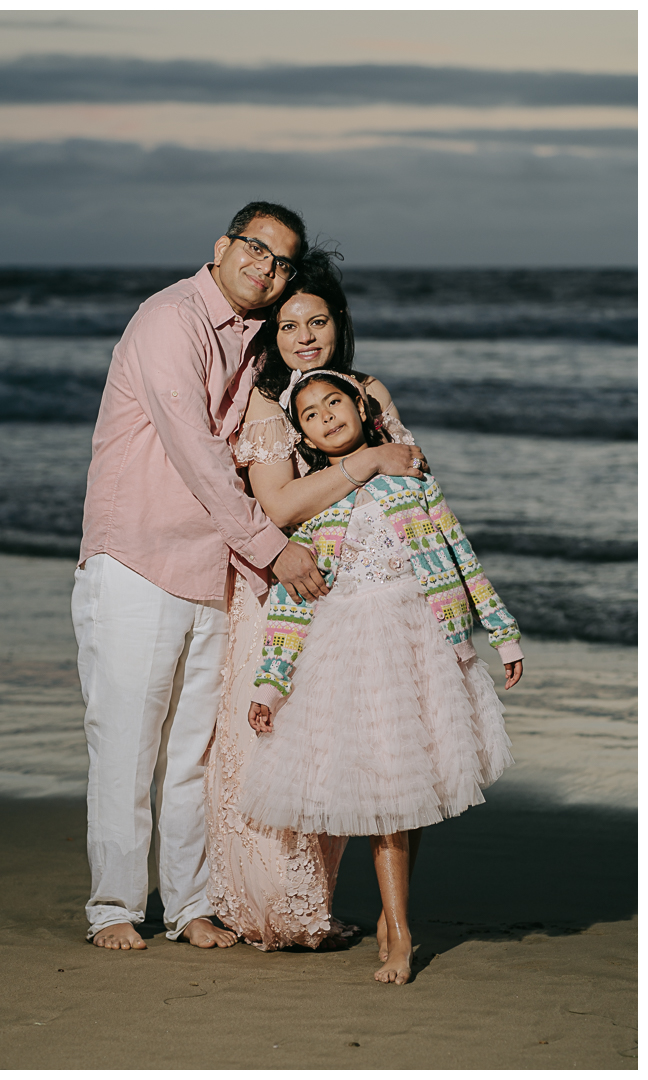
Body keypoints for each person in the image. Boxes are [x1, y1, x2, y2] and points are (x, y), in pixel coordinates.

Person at [72, 201, 340, 951]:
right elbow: (195, 451)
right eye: (256, 249)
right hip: (138, 561)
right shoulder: (171, 320)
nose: (266, 267)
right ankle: (114, 909)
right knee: (126, 746)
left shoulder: (250, 342)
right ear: (223, 247)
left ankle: (190, 906)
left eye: (281, 261)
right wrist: (272, 549)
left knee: (192, 754)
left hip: (210, 570)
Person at [240, 370, 524, 983]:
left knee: (409, 783)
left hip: (421, 639)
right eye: (311, 414)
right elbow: (292, 606)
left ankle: (392, 917)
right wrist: (269, 686)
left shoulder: (407, 477)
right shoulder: (316, 506)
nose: (325, 416)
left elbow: (458, 552)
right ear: (306, 437)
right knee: (389, 789)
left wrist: (501, 631)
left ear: (361, 408)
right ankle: (398, 929)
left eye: (334, 402)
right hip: (354, 652)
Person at [204, 251, 428, 949]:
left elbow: (416, 477)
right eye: (289, 323)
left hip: (365, 593)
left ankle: (318, 902)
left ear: (339, 323)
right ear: (271, 333)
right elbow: (278, 504)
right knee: (272, 740)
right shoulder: (268, 405)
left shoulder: (368, 389)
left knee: (339, 746)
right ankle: (270, 905)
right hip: (283, 587)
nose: (305, 336)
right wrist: (364, 463)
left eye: (318, 321)